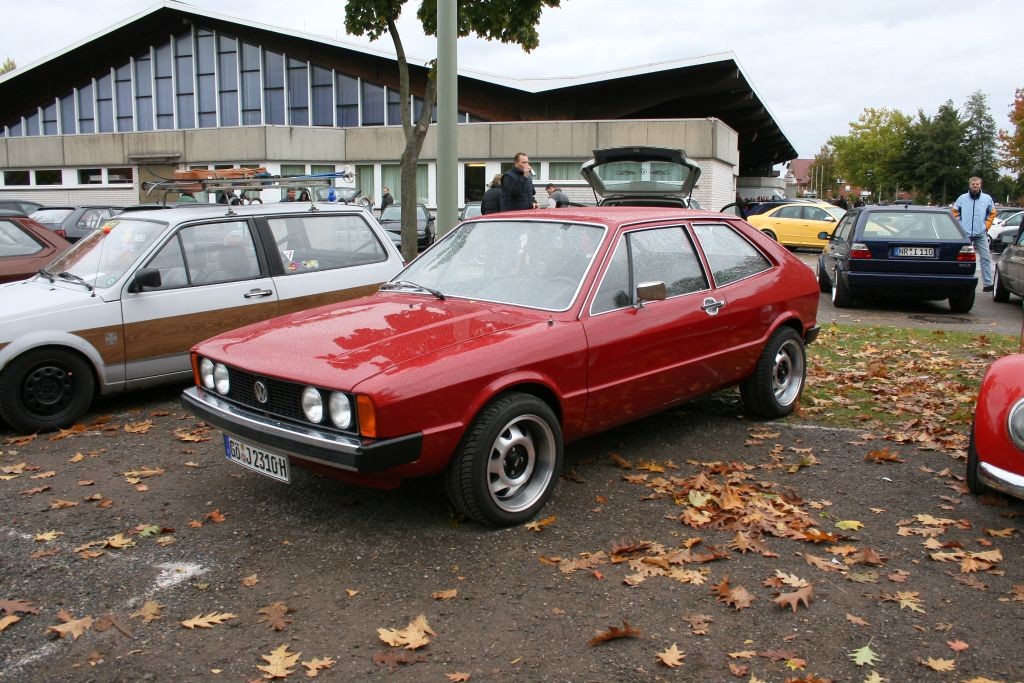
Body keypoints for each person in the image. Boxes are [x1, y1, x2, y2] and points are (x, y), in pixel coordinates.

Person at [952, 176, 996, 292]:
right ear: (969, 185)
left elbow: (992, 213)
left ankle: (988, 283)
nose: (975, 186)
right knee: (961, 258)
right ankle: (959, 281)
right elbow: (955, 212)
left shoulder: (987, 198)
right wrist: (960, 225)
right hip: (965, 234)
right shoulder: (962, 198)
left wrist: (986, 226)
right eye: (973, 184)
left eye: (977, 184)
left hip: (980, 233)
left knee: (985, 258)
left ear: (980, 185)